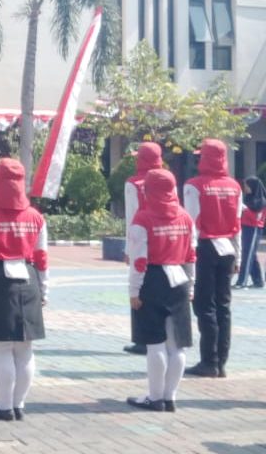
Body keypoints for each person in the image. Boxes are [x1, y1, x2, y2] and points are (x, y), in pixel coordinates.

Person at [0, 158, 48, 421]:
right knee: (25, 348)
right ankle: (19, 405)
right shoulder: (36, 217)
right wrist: (44, 290)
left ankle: (4, 406)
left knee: (2, 348)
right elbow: (42, 257)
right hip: (29, 279)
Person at [125, 169, 196, 412]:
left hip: (152, 280)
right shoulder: (185, 218)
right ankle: (170, 397)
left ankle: (154, 398)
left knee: (155, 343)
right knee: (177, 345)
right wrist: (192, 285)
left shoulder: (142, 219)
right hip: (180, 280)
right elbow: (191, 255)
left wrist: (134, 291)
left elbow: (139, 261)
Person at [184, 138, 243, 378]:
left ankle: (209, 361)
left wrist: (188, 257)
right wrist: (238, 257)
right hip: (228, 248)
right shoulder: (235, 186)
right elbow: (237, 225)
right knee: (224, 306)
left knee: (204, 305)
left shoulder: (194, 186)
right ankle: (221, 362)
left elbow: (191, 224)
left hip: (205, 248)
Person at [123, 142, 163, 356]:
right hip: (163, 241)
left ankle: (141, 340)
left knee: (137, 287)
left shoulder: (134, 183)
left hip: (141, 238)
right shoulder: (168, 180)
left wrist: (129, 249)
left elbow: (131, 216)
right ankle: (157, 338)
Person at [235, 176, 266, 288]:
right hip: (245, 227)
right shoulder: (248, 198)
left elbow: (257, 217)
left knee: (247, 255)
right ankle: (258, 280)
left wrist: (245, 210)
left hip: (254, 229)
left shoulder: (261, 201)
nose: (246, 188)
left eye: (247, 185)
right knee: (251, 255)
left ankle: (242, 281)